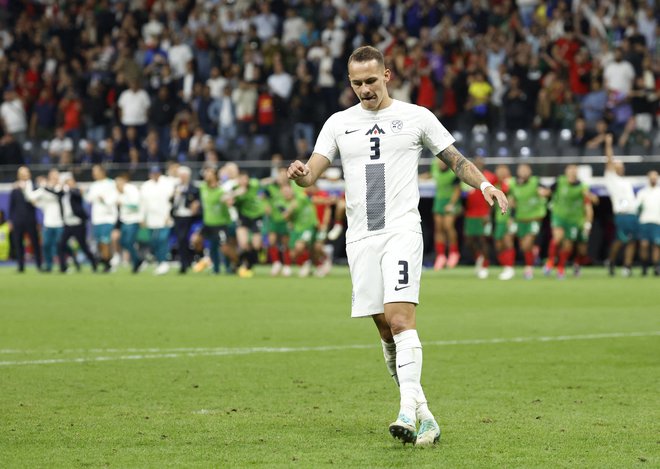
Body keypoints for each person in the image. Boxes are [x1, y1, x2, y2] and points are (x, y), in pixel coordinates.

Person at [287, 46, 507, 446]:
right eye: (357, 83)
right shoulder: (338, 123)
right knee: (386, 329)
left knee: (402, 318)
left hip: (402, 230)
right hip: (361, 237)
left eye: (371, 80)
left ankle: (405, 410)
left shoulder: (416, 117)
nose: (365, 89)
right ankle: (425, 415)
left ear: (387, 75)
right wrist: (301, 174)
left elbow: (455, 159)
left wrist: (486, 185)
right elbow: (312, 173)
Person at [545, 165, 593, 279]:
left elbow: (589, 202)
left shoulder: (582, 187)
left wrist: (587, 222)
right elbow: (549, 192)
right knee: (557, 239)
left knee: (568, 246)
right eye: (570, 170)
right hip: (559, 216)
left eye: (574, 170)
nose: (572, 172)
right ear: (566, 172)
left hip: (574, 220)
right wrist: (543, 193)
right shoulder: (559, 182)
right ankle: (551, 261)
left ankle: (561, 269)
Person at [603, 134, 638, 277]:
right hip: (622, 215)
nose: (621, 168)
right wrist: (608, 144)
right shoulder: (611, 179)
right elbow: (609, 160)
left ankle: (627, 267)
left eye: (622, 166)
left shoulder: (627, 182)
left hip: (632, 215)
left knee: (632, 241)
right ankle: (611, 261)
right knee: (620, 240)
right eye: (618, 166)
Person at [508, 164, 550, 280]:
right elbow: (512, 202)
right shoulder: (513, 184)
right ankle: (534, 255)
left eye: (526, 170)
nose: (523, 172)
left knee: (527, 244)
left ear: (530, 172)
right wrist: (511, 217)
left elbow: (547, 191)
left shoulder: (535, 182)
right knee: (523, 247)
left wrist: (544, 193)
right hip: (520, 219)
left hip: (534, 218)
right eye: (521, 170)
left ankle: (529, 267)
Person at [462, 157, 498, 279]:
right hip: (470, 214)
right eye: (476, 163)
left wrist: (490, 213)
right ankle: (479, 258)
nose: (478, 164)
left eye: (480, 163)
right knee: (470, 241)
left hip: (484, 214)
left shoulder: (491, 177)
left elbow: (494, 195)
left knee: (483, 240)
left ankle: (485, 266)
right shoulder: (467, 177)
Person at [198, 167, 236, 274]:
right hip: (208, 223)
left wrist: (229, 200)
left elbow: (228, 201)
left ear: (215, 176)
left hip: (221, 223)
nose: (206, 175)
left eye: (209, 173)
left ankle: (232, 266)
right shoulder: (203, 187)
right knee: (201, 242)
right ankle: (215, 268)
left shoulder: (221, 190)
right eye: (206, 173)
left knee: (225, 248)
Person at [57, 175, 97, 273]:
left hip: (78, 223)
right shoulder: (63, 194)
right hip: (67, 223)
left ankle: (94, 262)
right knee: (61, 244)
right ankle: (63, 267)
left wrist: (68, 188)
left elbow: (77, 194)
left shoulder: (76, 191)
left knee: (83, 246)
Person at [231, 170, 267, 278]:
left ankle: (248, 265)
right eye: (241, 179)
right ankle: (244, 265)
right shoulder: (235, 190)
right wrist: (235, 195)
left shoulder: (254, 184)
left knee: (256, 244)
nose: (243, 181)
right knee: (243, 244)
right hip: (243, 217)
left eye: (245, 179)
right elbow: (227, 200)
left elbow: (263, 183)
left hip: (256, 217)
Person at [27, 169, 64, 272]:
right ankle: (48, 265)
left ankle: (64, 265)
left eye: (56, 176)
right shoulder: (44, 189)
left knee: (60, 245)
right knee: (46, 244)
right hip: (48, 222)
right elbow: (31, 196)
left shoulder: (61, 187)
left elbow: (58, 194)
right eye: (53, 176)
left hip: (60, 222)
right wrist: (27, 185)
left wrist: (44, 186)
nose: (55, 178)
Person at [140, 166, 175, 275]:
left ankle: (164, 261)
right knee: (153, 241)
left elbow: (170, 201)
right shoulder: (146, 186)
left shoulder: (167, 183)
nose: (154, 175)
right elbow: (143, 203)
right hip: (151, 218)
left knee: (162, 239)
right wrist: (142, 217)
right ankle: (159, 261)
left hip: (164, 217)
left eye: (156, 173)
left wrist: (168, 214)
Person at [428, 159, 461, 270]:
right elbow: (431, 175)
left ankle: (453, 253)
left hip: (451, 201)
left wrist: (451, 204)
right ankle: (441, 256)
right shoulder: (434, 167)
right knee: (438, 228)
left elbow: (457, 190)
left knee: (448, 226)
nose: (440, 163)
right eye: (438, 161)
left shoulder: (453, 172)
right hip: (439, 201)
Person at [8, 166, 42, 272]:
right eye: (22, 172)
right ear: (19, 175)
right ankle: (20, 266)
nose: (25, 174)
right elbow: (11, 206)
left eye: (26, 172)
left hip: (30, 220)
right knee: (18, 243)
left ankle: (39, 265)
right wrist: (11, 221)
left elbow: (37, 204)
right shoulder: (15, 188)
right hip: (18, 220)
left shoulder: (34, 187)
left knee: (35, 243)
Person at [86, 165, 118, 272]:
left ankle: (108, 263)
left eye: (95, 171)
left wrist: (104, 199)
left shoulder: (111, 184)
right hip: (97, 218)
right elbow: (89, 198)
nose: (93, 174)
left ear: (102, 172)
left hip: (108, 217)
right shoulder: (94, 185)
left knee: (105, 241)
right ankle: (106, 261)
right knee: (99, 242)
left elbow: (114, 198)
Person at [171, 166, 200, 274]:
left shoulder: (193, 188)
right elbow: (172, 201)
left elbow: (197, 202)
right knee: (180, 239)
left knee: (185, 239)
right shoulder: (176, 187)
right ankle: (184, 262)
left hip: (189, 217)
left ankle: (187, 261)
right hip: (178, 215)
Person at [115, 173, 143, 273]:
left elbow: (135, 205)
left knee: (129, 242)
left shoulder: (131, 190)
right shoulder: (121, 192)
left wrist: (124, 203)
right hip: (125, 220)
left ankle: (137, 261)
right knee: (123, 242)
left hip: (133, 220)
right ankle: (138, 259)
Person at [492, 165, 515, 280]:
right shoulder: (495, 185)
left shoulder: (511, 184)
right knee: (498, 244)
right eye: (498, 171)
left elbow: (513, 201)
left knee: (507, 241)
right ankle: (506, 266)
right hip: (498, 219)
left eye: (503, 171)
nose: (500, 173)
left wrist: (512, 218)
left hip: (508, 218)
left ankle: (509, 268)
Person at [636, 171, 660, 276]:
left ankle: (656, 267)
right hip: (644, 221)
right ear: (648, 178)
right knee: (644, 245)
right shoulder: (642, 192)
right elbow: (636, 207)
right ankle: (644, 267)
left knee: (656, 245)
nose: (653, 179)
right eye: (651, 177)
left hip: (657, 222)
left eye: (655, 177)